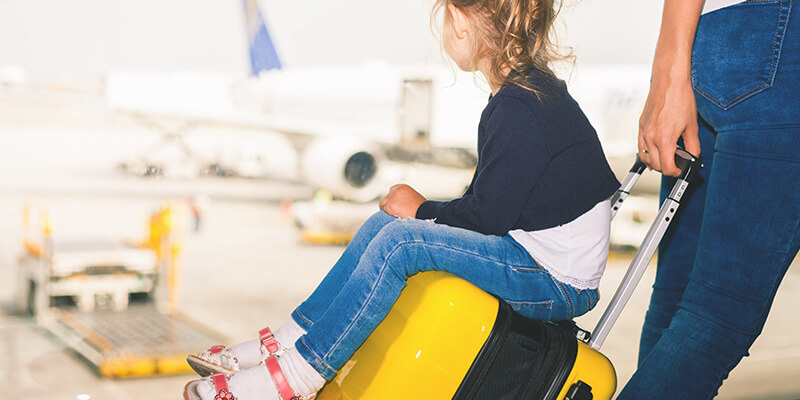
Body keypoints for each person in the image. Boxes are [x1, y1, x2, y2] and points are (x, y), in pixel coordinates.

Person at [182, 0, 620, 398]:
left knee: (402, 242)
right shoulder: (530, 93)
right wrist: (418, 212)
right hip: (537, 259)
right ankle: (288, 340)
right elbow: (495, 207)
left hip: (553, 281)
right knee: (385, 228)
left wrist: (421, 208)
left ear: (462, 24)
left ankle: (296, 378)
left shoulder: (518, 106)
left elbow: (488, 216)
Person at [619, 0, 800, 398]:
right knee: (716, 319)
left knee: (678, 304)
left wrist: (669, 69)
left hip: (717, 37)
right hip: (784, 52)